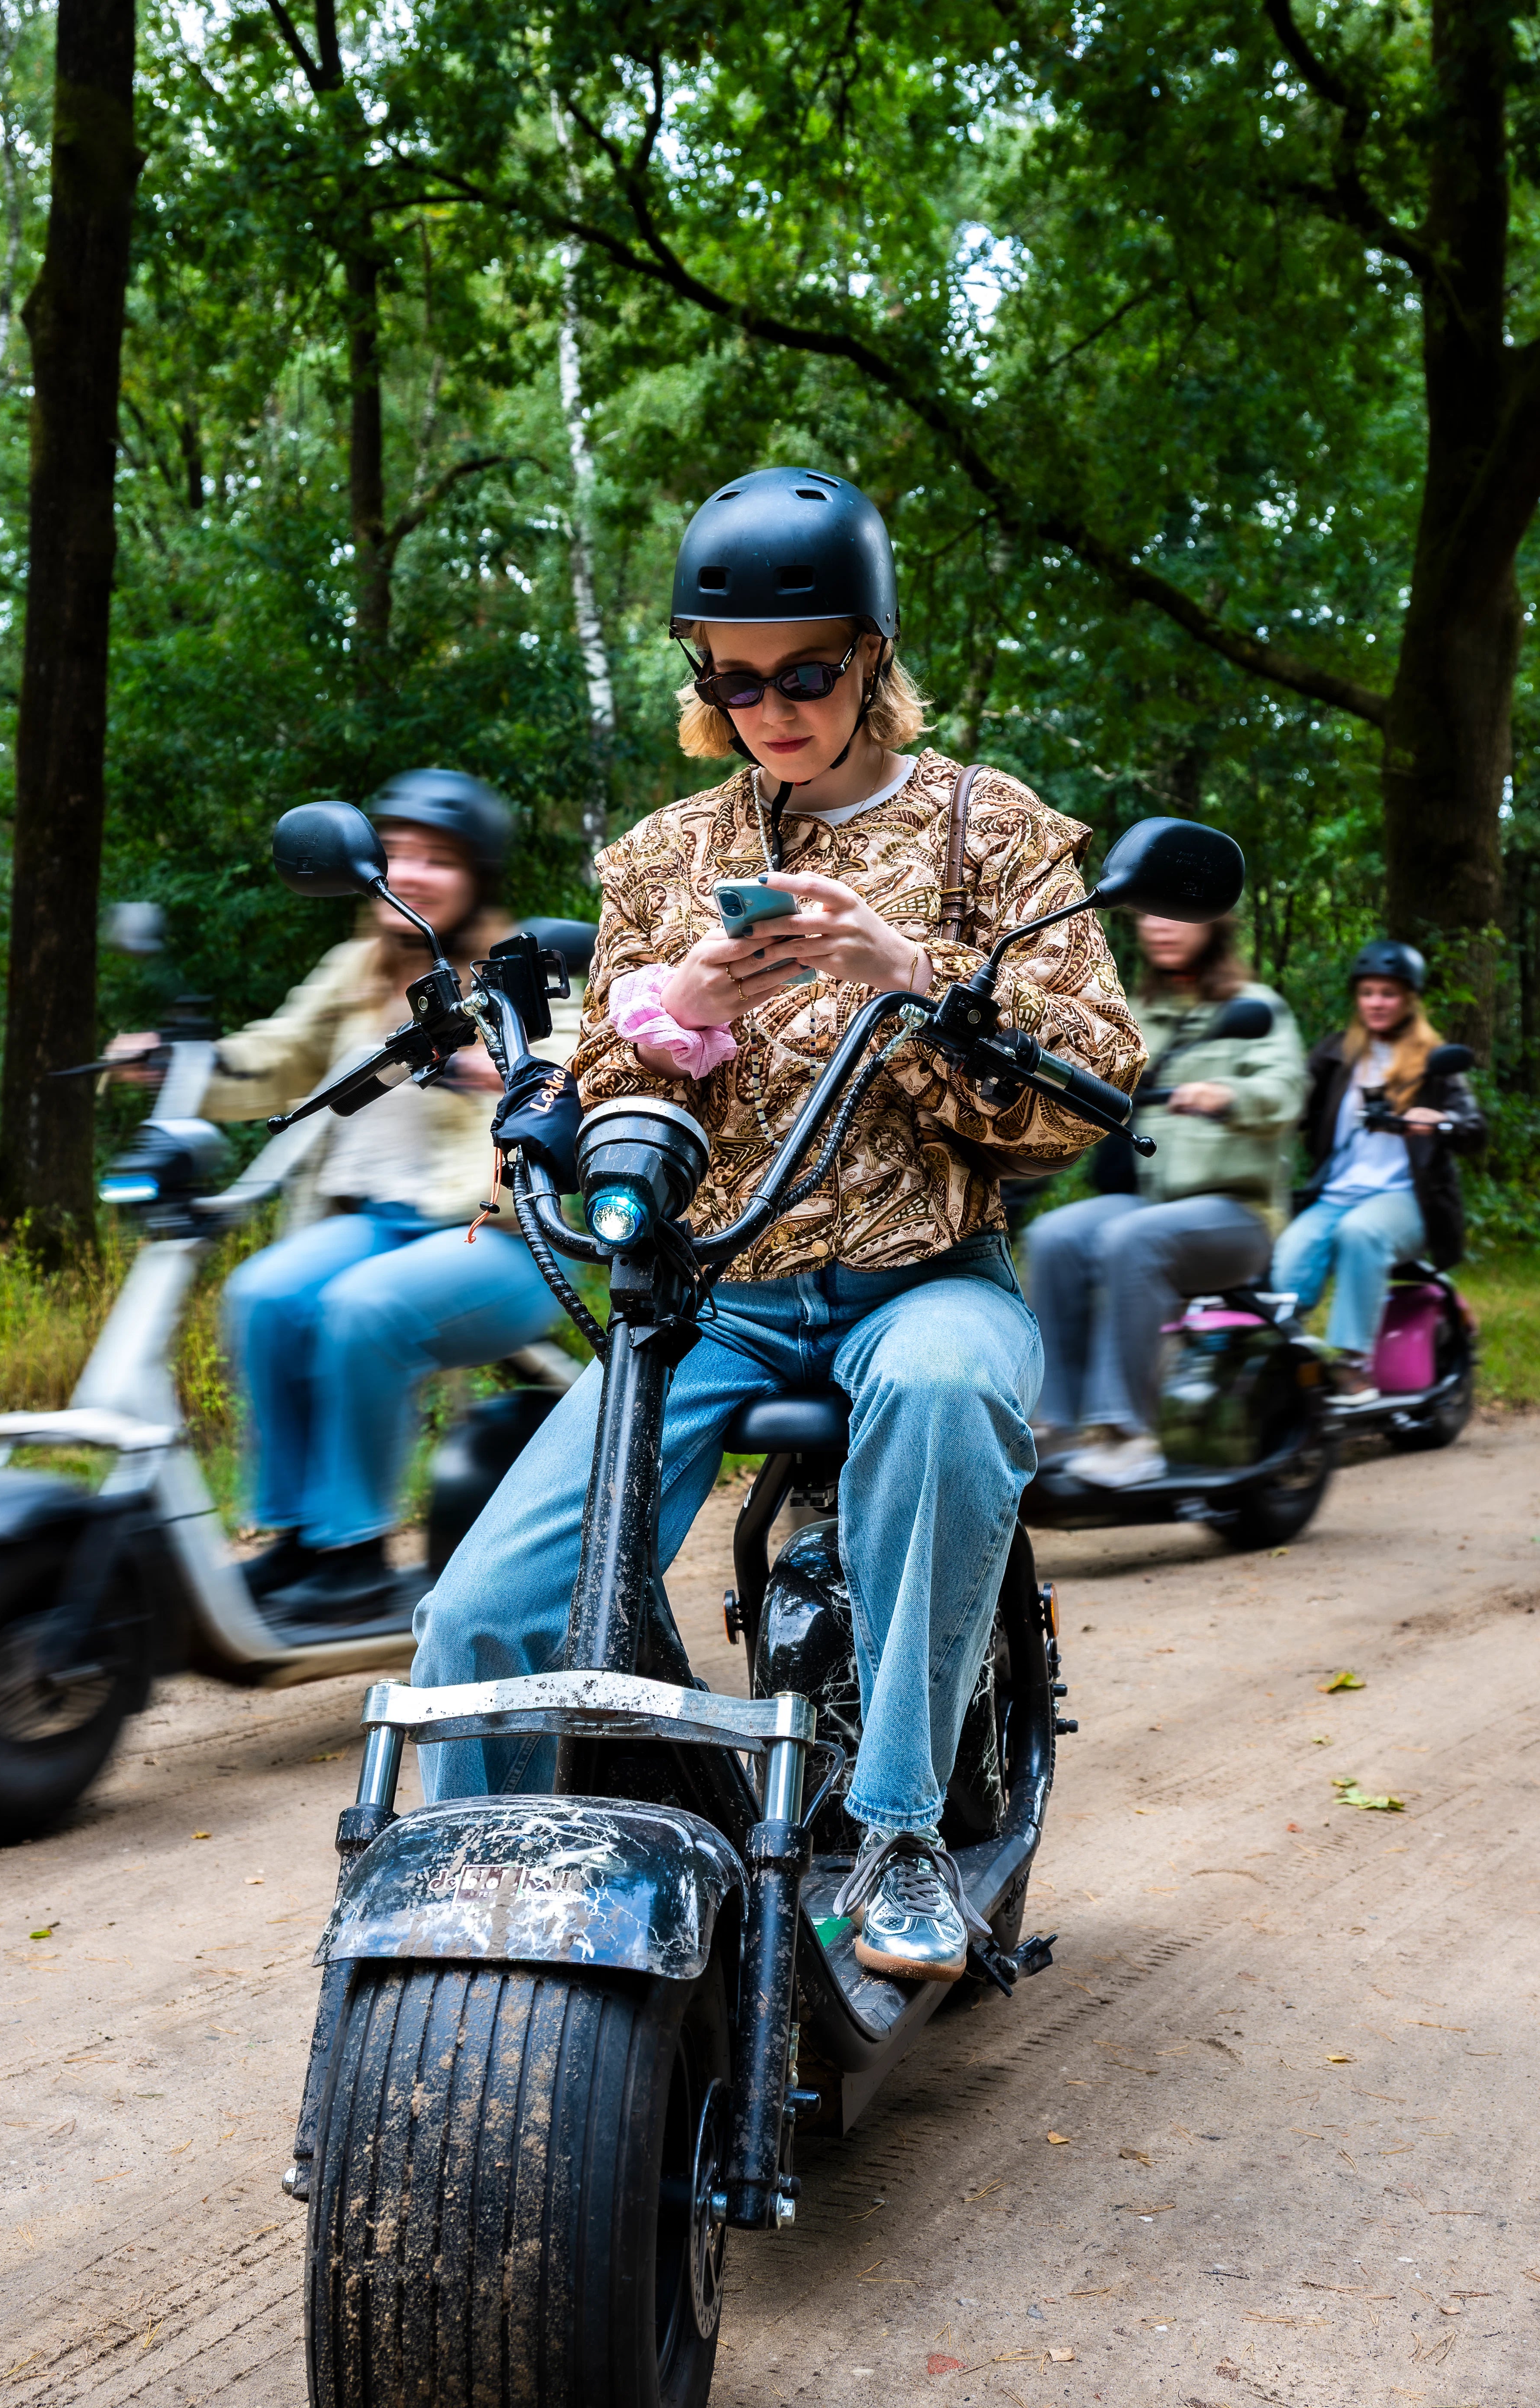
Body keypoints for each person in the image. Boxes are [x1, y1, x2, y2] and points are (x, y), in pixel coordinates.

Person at [412, 466, 1144, 1984]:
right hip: (714, 1295)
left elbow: (1091, 1088)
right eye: (733, 680)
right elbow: (577, 1077)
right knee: (483, 1615)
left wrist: (913, 977)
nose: (771, 707)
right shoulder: (666, 855)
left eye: (805, 671)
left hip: (922, 1276)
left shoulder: (986, 832)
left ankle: (895, 1831)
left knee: (947, 1391)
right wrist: (671, 1009)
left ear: (871, 656)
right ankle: (462, 1925)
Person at [108, 770, 574, 1619]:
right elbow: (275, 1057)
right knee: (264, 1294)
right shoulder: (353, 968)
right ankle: (295, 1540)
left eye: (441, 857)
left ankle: (356, 1553)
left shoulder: (523, 965)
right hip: (373, 1223)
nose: (415, 871)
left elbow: (575, 1068)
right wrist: (179, 1062)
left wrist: (496, 1067)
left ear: (479, 876)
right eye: (399, 851)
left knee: (364, 1309)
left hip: (502, 1241)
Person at [1024, 911, 1305, 1487]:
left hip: (1238, 1216)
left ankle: (1128, 1436)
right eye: (1151, 914)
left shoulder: (1256, 1007)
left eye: (1178, 915)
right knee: (1053, 1237)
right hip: (1155, 1205)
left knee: (1134, 1238)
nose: (1161, 926)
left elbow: (1285, 1092)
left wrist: (1228, 1095)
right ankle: (1057, 1425)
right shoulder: (1141, 1014)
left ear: (1214, 925)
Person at [1271, 939, 1485, 1400]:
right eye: (1368, 992)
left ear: (1409, 998)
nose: (1376, 1003)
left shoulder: (1434, 1061)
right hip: (1337, 1194)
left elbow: (1473, 1129)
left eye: (1387, 993)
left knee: (1361, 1233)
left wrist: (1441, 1122)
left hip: (1408, 1200)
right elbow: (1292, 1107)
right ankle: (1284, 1367)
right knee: (1291, 1253)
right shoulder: (1337, 1054)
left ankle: (1353, 1365)